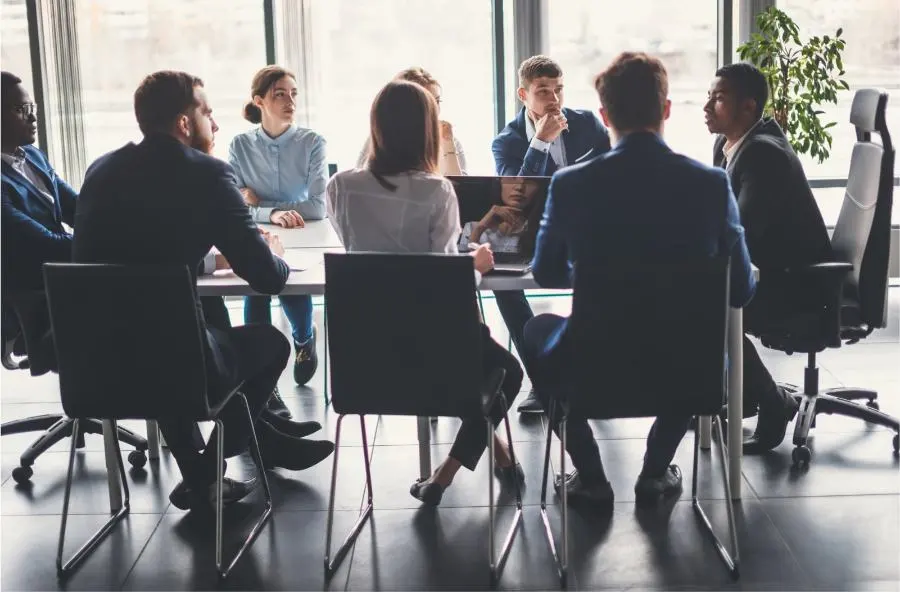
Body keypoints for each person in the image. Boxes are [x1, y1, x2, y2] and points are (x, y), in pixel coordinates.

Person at [72, 70, 334, 512]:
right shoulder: (209, 174)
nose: (215, 124)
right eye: (207, 112)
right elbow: (268, 279)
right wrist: (272, 249)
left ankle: (220, 465)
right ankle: (214, 468)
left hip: (95, 365)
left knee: (210, 319)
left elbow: (137, 254)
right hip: (177, 366)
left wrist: (212, 258)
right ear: (182, 123)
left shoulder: (101, 170)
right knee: (268, 343)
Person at [523, 53, 756, 507]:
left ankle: (590, 475)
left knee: (535, 331)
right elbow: (743, 288)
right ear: (666, 109)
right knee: (693, 346)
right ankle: (653, 472)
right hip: (687, 371)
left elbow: (547, 272)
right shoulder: (710, 184)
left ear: (605, 115)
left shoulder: (570, 185)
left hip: (593, 366)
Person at [327, 79, 525, 506]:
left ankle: (485, 461)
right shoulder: (436, 191)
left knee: (478, 357)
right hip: (435, 348)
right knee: (506, 370)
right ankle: (445, 474)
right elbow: (446, 286)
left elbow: (360, 251)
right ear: (428, 130)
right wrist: (473, 264)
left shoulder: (340, 186)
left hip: (366, 353)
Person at [704, 63, 832, 453]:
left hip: (794, 282)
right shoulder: (730, 143)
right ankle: (746, 394)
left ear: (748, 106)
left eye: (719, 98)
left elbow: (742, 230)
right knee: (703, 296)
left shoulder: (762, 153)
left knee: (709, 308)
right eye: (709, 95)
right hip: (768, 269)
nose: (707, 105)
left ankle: (773, 401)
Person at [491, 55, 613, 415]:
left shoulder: (588, 124)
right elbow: (518, 199)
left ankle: (589, 371)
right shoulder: (506, 142)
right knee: (501, 284)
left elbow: (610, 178)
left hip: (588, 232)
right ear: (523, 94)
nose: (555, 99)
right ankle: (542, 377)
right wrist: (540, 144)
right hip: (533, 234)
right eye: (544, 91)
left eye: (559, 89)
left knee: (605, 274)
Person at [228, 65, 325, 393]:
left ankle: (303, 339)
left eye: (293, 94)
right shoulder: (240, 145)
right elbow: (235, 203)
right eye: (279, 94)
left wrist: (259, 205)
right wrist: (271, 213)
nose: (290, 101)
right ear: (259, 100)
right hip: (259, 231)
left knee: (288, 278)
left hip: (303, 232)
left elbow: (318, 205)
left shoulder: (312, 142)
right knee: (257, 278)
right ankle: (258, 367)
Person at [1, 71, 77, 346]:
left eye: (32, 108)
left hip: (65, 276)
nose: (33, 117)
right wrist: (105, 244)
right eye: (22, 109)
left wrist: (115, 228)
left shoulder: (33, 155)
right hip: (34, 294)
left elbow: (79, 209)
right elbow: (42, 244)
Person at [356, 67, 466, 176]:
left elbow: (464, 190)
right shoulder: (379, 140)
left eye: (437, 101)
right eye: (426, 103)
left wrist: (449, 145)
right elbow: (363, 182)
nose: (435, 109)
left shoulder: (450, 141)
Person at [458, 177, 543, 254]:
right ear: (500, 181)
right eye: (512, 178)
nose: (519, 187)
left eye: (529, 180)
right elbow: (465, 267)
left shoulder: (544, 231)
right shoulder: (472, 227)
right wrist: (479, 229)